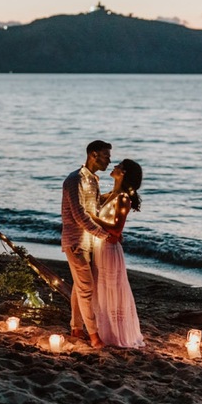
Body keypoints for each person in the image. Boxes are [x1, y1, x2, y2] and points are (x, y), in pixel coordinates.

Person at [61, 140, 115, 349]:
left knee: (79, 286)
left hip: (90, 241)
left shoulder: (93, 179)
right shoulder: (74, 180)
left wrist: (117, 192)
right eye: (106, 156)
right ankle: (94, 336)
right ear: (93, 154)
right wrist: (103, 235)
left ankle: (76, 328)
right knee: (87, 288)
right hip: (75, 241)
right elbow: (78, 214)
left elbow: (96, 205)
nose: (109, 160)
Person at [89, 159, 146, 348]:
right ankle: (102, 329)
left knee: (110, 290)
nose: (114, 166)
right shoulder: (111, 195)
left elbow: (116, 229)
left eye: (119, 166)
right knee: (100, 289)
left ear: (124, 173)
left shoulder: (123, 198)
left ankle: (114, 334)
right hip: (100, 246)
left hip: (109, 250)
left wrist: (92, 218)